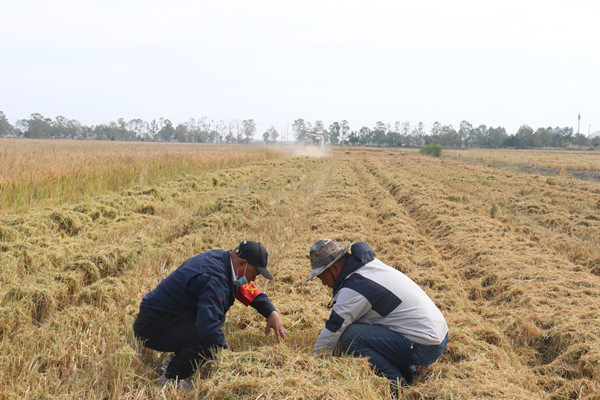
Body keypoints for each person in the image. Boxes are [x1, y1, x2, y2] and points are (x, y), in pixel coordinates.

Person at [134, 241, 287, 389]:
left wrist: (270, 311)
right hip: (154, 326)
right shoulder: (215, 278)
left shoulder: (225, 262)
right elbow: (207, 327)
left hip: (168, 317)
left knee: (213, 319)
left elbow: (245, 289)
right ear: (242, 263)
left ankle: (177, 359)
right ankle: (173, 378)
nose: (253, 279)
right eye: (255, 274)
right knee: (208, 336)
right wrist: (228, 358)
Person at [307, 239, 448, 390]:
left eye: (322, 277)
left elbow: (334, 328)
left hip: (425, 346)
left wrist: (316, 363)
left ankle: (396, 386)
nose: (323, 283)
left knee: (351, 336)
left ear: (334, 268)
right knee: (368, 327)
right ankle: (408, 373)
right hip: (438, 335)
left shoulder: (355, 287)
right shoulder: (369, 266)